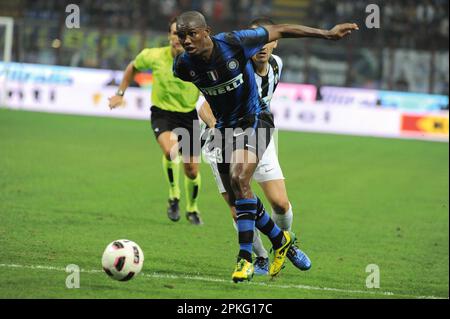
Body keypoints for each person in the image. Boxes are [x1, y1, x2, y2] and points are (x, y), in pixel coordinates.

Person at [173, 11, 358, 282]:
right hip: (225, 128)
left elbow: (282, 29)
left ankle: (245, 259)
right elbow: (204, 99)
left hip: (256, 118)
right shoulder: (182, 67)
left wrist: (327, 34)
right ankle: (280, 239)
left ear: (206, 31)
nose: (186, 40)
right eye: (181, 35)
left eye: (192, 34)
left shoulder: (235, 43)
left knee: (240, 178)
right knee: (238, 199)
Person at [198, 17, 311, 276]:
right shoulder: (232, 67)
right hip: (222, 138)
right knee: (238, 207)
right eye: (255, 41)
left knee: (281, 203)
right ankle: (261, 256)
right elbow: (202, 106)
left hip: (258, 133)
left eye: (266, 41)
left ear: (276, 44)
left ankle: (285, 243)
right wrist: (221, 129)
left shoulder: (276, 66)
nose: (261, 46)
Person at [109, 18, 203, 225]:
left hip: (188, 116)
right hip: (162, 113)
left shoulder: (199, 60)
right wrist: (120, 93)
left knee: (192, 170)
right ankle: (174, 196)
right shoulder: (153, 56)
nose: (177, 39)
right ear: (168, 36)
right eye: (173, 34)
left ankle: (192, 208)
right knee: (170, 150)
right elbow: (132, 67)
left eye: (182, 35)